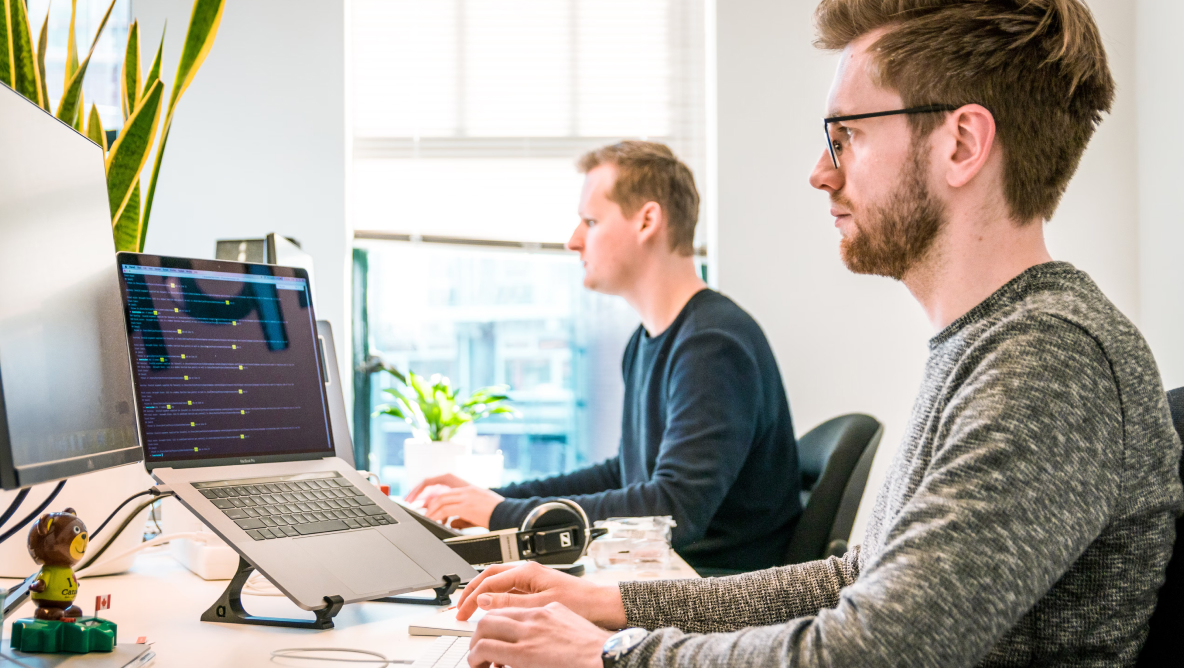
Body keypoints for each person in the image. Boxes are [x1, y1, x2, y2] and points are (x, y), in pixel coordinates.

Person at [451, 1, 1184, 667]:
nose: (819, 173)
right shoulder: (990, 343)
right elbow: (856, 580)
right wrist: (610, 604)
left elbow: (872, 652)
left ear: (961, 143)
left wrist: (611, 656)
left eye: (847, 137)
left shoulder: (1048, 361)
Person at [406, 141, 803, 573]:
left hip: (713, 593)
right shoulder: (648, 341)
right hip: (668, 576)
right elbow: (626, 475)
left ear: (647, 221)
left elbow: (672, 511)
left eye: (591, 221)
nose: (573, 241)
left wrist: (502, 515)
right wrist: (498, 499)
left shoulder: (713, 345)